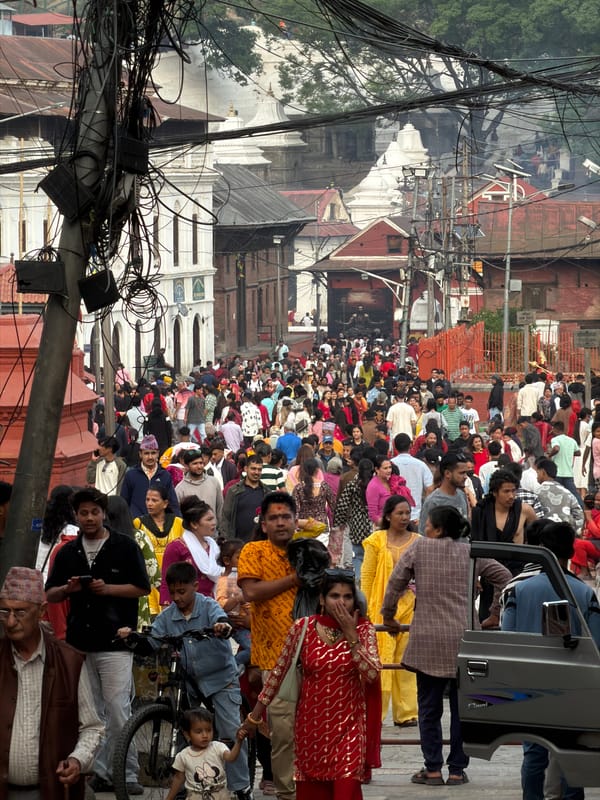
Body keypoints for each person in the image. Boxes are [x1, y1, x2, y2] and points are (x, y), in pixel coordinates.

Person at [382, 506, 511, 787]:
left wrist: (388, 616)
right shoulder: (471, 552)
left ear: (438, 529)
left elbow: (395, 583)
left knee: (428, 708)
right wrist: (494, 614)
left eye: (428, 523)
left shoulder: (419, 549)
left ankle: (431, 768)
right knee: (462, 709)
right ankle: (456, 769)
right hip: (465, 640)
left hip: (427, 640)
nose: (423, 526)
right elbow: (504, 577)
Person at [45, 488, 150, 794]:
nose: (89, 518)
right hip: (79, 642)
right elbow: (50, 593)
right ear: (75, 516)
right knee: (87, 712)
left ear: (104, 514)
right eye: (83, 513)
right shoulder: (67, 552)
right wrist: (68, 589)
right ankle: (93, 768)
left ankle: (127, 772)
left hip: (116, 640)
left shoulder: (125, 547)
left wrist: (109, 589)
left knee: (118, 709)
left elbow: (141, 588)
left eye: (94, 512)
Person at [243, 569, 382, 800]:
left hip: (349, 729)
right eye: (334, 596)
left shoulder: (364, 630)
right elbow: (278, 673)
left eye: (347, 597)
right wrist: (254, 717)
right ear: (321, 599)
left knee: (346, 792)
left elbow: (372, 674)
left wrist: (351, 636)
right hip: (310, 732)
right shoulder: (303, 628)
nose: (341, 602)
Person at [121, 561, 253, 800]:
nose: (177, 597)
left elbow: (221, 619)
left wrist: (222, 627)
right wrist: (131, 638)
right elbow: (151, 642)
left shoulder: (208, 606)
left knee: (230, 731)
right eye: (172, 592)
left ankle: (241, 787)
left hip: (221, 678)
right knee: (184, 730)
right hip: (189, 682)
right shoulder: (168, 616)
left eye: (182, 592)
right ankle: (184, 787)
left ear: (195, 586)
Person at [502, 522, 600, 800]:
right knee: (571, 753)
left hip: (529, 684)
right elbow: (596, 644)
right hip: (573, 686)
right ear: (570, 550)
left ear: (540, 550)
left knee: (534, 754)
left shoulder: (519, 591)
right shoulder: (583, 592)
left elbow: (507, 638)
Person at [0, 566, 103, 800]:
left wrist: (77, 760)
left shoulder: (70, 661)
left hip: (52, 792)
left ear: (41, 612)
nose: (11, 621)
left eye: (20, 612)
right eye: (5, 612)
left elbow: (92, 727)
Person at [238, 492, 301, 800]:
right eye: (273, 518)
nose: (280, 523)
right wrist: (294, 579)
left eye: (285, 517)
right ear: (263, 524)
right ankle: (286, 793)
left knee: (310, 731)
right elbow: (251, 591)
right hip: (272, 657)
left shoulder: (307, 551)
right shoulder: (254, 551)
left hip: (311, 656)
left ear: (294, 521)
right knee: (282, 733)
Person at [361, 495, 418, 727]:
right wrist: (362, 607)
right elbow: (367, 575)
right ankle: (377, 711)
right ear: (387, 516)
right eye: (399, 513)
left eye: (407, 513)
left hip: (410, 606)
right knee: (381, 659)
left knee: (406, 660)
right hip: (380, 606)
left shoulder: (418, 541)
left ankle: (406, 713)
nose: (404, 518)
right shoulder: (376, 540)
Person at [166, 708, 248, 800]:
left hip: (220, 795)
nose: (205, 735)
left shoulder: (217, 747)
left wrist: (238, 742)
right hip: (195, 796)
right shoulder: (183, 756)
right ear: (187, 735)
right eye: (199, 732)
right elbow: (178, 779)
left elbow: (231, 757)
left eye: (208, 730)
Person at [133, 483, 185, 615]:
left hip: (173, 578)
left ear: (165, 503)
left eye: (154, 500)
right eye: (147, 499)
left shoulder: (178, 523)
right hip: (149, 579)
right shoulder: (138, 523)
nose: (149, 503)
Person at [161, 497, 223, 601]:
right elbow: (166, 582)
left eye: (213, 518)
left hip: (213, 605)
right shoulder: (176, 547)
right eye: (209, 519)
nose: (214, 523)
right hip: (186, 606)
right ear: (194, 524)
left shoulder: (214, 547)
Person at [121, 433, 180, 518]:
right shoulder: (131, 475)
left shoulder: (165, 475)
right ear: (140, 454)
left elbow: (173, 503)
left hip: (159, 524)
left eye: (153, 453)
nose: (150, 457)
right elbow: (124, 502)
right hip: (136, 524)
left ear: (158, 454)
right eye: (146, 453)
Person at [334, 458, 374, 579]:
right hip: (372, 524)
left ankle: (358, 581)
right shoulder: (375, 485)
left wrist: (338, 524)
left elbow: (342, 505)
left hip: (356, 524)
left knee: (358, 556)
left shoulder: (352, 485)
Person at [418, 452, 470, 534]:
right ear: (447, 474)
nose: (465, 477)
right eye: (461, 473)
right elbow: (423, 534)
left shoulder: (462, 495)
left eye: (466, 473)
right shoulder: (433, 501)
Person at [221, 454, 269, 541]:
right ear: (246, 469)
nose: (256, 472)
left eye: (259, 469)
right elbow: (225, 517)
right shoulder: (234, 491)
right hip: (238, 543)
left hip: (260, 543)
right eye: (253, 469)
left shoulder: (266, 492)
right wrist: (227, 541)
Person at [391, 433, 433, 524]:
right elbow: (430, 488)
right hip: (415, 516)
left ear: (395, 446)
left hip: (394, 515)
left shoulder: (389, 465)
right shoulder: (421, 465)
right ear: (410, 445)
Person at [176, 448, 224, 520]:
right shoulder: (180, 489)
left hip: (214, 530)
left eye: (201, 463)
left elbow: (220, 508)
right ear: (186, 466)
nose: (199, 466)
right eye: (195, 463)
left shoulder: (214, 482)